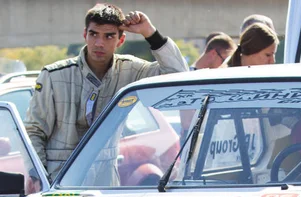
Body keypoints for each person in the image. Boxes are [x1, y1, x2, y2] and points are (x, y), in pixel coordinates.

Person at [25, 4, 188, 180]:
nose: (99, 43)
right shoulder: (54, 76)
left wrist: (149, 32)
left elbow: (178, 76)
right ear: (84, 34)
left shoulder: (130, 69)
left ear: (121, 40)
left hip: (104, 180)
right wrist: (37, 176)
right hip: (58, 177)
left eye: (109, 36)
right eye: (93, 34)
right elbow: (34, 131)